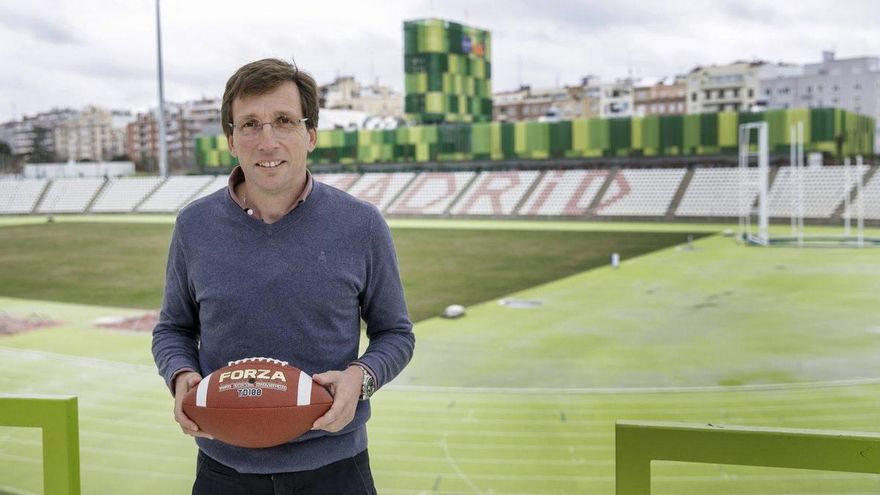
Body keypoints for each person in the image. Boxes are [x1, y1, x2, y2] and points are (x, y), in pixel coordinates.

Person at [152, 58, 415, 494]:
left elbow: (396, 334)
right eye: (250, 124)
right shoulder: (193, 226)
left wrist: (360, 379)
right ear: (231, 140)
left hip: (335, 467)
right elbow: (173, 329)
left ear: (309, 135)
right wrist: (181, 377)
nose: (267, 140)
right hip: (223, 469)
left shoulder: (361, 225)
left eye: (284, 121)